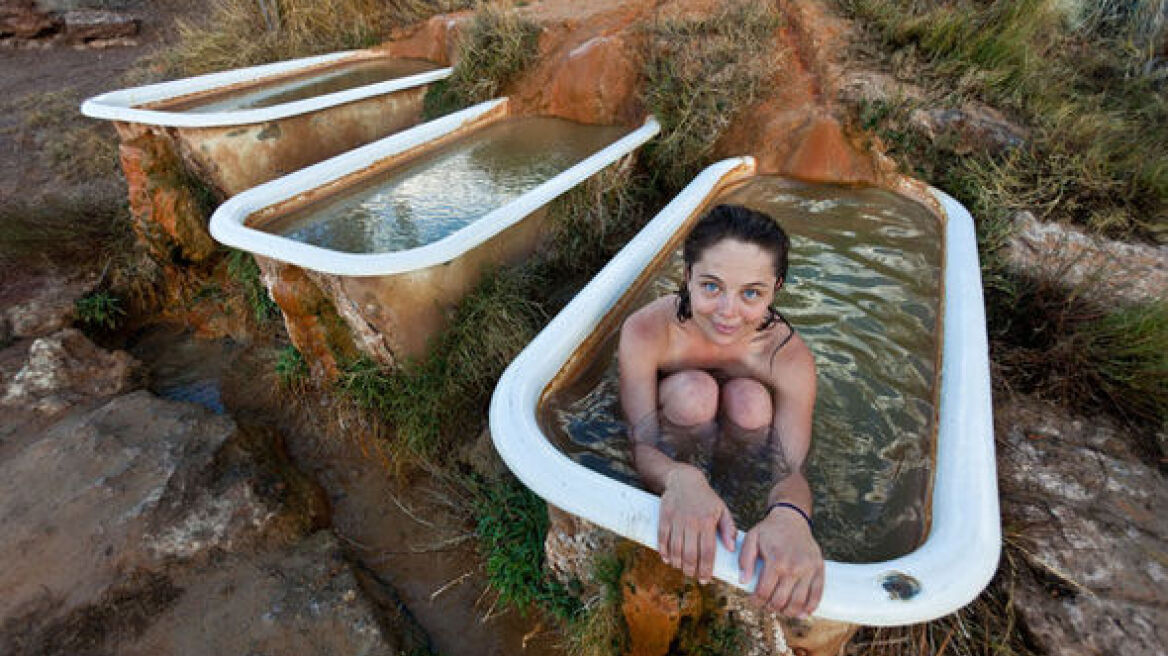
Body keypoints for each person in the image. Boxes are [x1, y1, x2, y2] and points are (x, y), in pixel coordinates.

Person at [618, 203, 823, 618]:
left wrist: (790, 517)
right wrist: (681, 476)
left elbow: (790, 471)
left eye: (751, 293)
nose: (729, 311)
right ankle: (694, 491)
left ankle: (731, 490)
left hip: (739, 429)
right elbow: (640, 442)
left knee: (751, 402)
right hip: (678, 422)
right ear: (687, 276)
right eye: (712, 286)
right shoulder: (647, 331)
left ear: (775, 290)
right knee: (695, 392)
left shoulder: (788, 358)